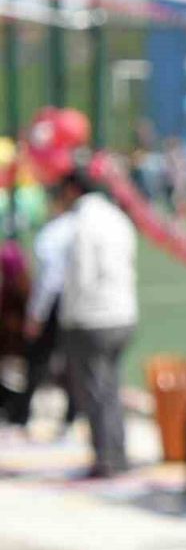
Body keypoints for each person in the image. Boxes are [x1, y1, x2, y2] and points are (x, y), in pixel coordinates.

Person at [58, 166, 137, 478]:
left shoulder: (82, 223)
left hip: (92, 318)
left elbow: (82, 276)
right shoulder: (117, 217)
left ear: (72, 190)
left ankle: (105, 457)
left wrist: (68, 317)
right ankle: (118, 453)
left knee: (94, 392)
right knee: (111, 388)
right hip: (123, 314)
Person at [8, 180, 79, 428]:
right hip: (79, 300)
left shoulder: (53, 233)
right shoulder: (77, 226)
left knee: (38, 358)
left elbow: (49, 280)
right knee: (71, 360)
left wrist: (36, 315)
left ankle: (23, 413)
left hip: (57, 302)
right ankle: (73, 413)